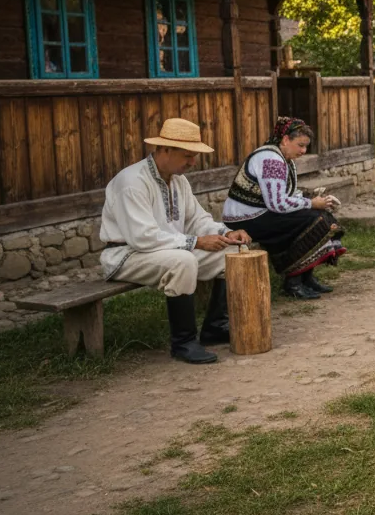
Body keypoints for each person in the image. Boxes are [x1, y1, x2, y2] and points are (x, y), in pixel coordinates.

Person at [100, 118, 251, 364]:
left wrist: (225, 233)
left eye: (194, 156)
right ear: (164, 150)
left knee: (232, 253)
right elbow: (143, 237)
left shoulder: (178, 180)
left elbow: (197, 219)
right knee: (183, 261)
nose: (193, 162)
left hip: (167, 250)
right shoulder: (131, 182)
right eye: (187, 156)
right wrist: (196, 242)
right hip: (127, 255)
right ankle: (183, 343)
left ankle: (215, 327)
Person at [223, 117, 347, 300]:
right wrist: (311, 203)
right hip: (244, 220)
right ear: (286, 139)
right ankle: (293, 282)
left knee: (320, 214)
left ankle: (306, 277)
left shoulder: (283, 158)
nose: (303, 151)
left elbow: (286, 195)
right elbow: (278, 204)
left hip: (260, 214)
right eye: (300, 145)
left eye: (306, 146)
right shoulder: (271, 159)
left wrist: (315, 201)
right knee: (315, 219)